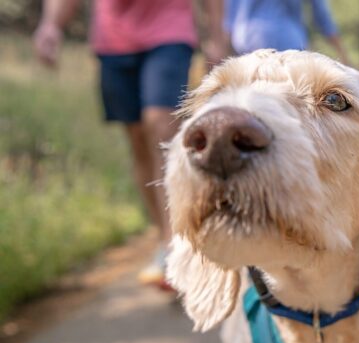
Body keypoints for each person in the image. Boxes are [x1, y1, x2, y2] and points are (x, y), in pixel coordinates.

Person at [33, 0, 228, 289]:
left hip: (169, 33)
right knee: (138, 140)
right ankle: (165, 236)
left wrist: (217, 37)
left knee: (160, 125)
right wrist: (51, 25)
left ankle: (178, 242)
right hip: (113, 41)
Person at [224, 0, 348, 63]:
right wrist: (342, 54)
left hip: (246, 42)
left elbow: (230, 17)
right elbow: (322, 16)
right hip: (288, 43)